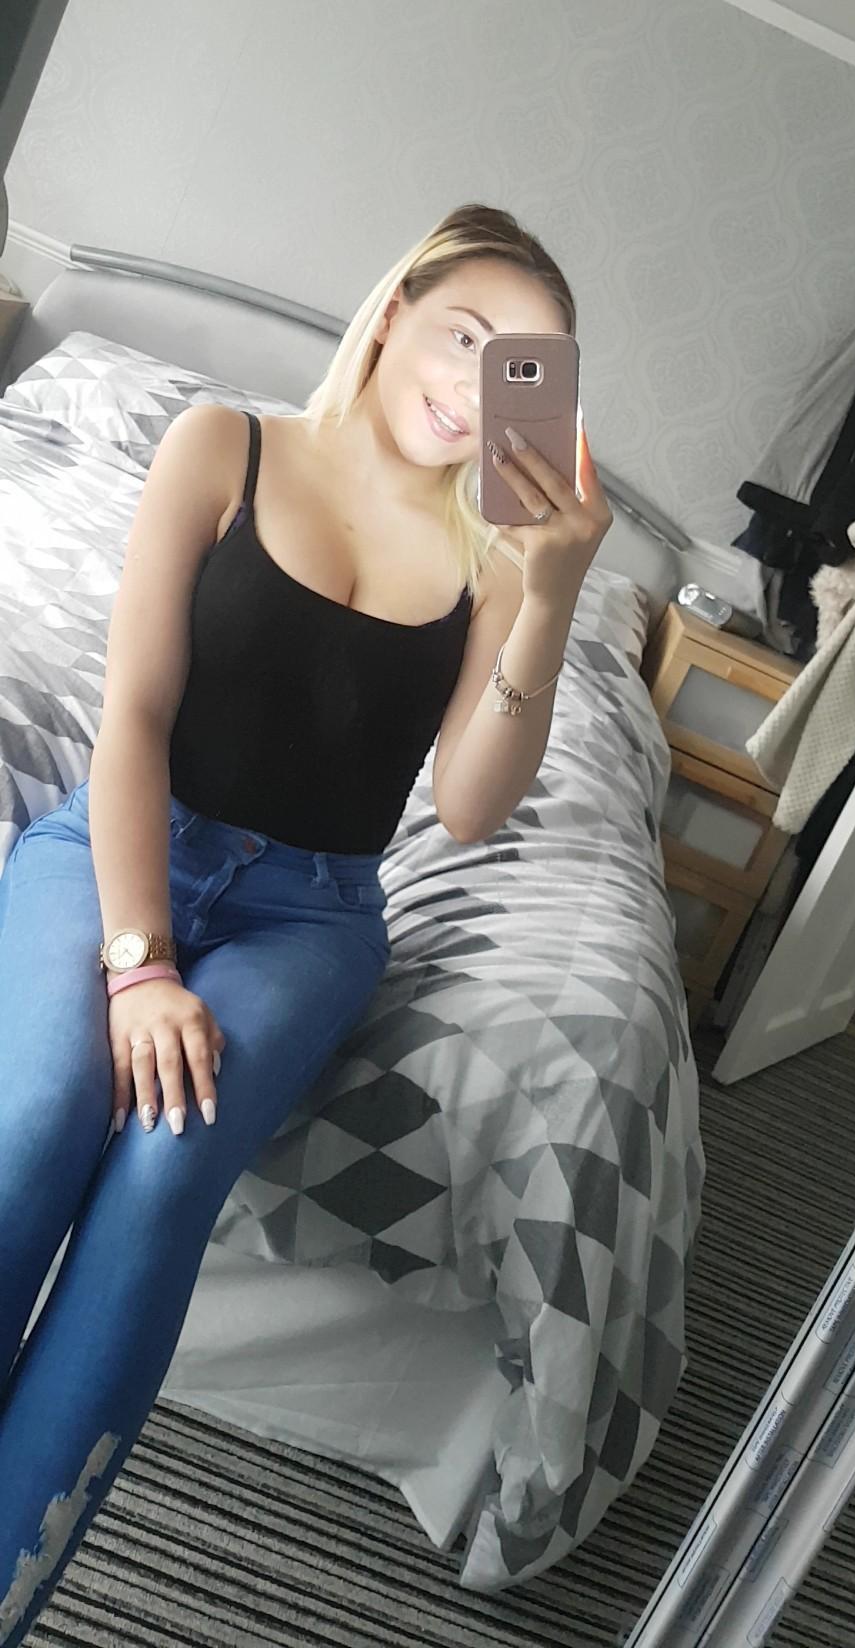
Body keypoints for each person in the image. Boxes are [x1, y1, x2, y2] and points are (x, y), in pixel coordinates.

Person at [0, 201, 613, 1644]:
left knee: (168, 1165)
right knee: (40, 1111)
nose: (472, 387)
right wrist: (140, 964)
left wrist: (553, 593)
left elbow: (470, 807)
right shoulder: (224, 445)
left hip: (311, 914)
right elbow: (133, 718)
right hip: (118, 846)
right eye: (462, 336)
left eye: (518, 369)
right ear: (394, 313)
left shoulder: (496, 562)